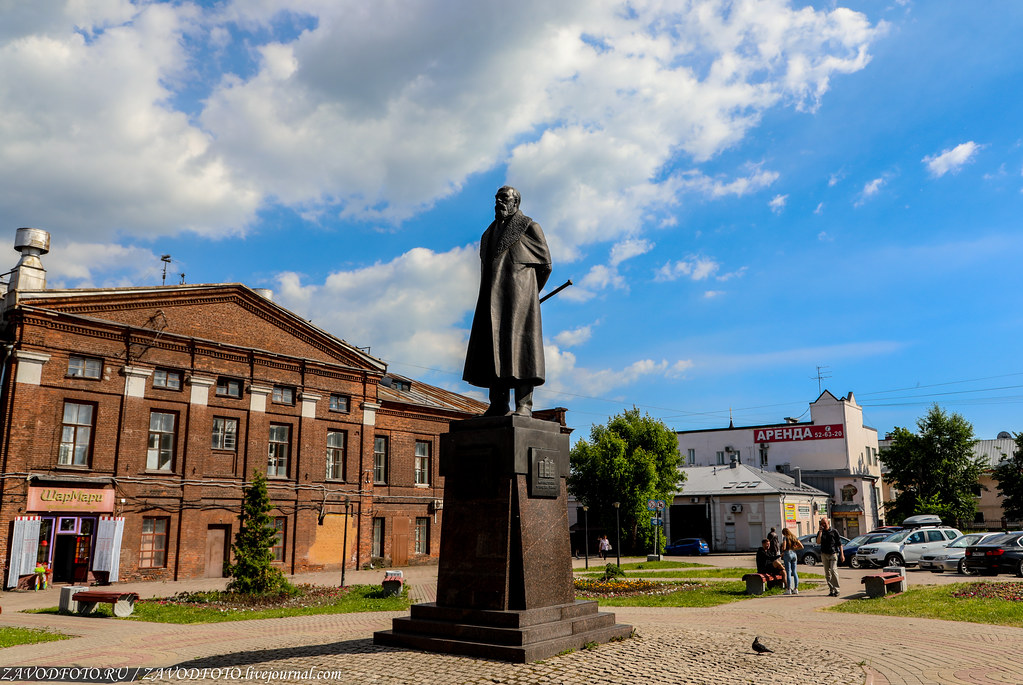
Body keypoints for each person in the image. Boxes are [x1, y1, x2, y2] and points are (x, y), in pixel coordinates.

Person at [463, 186, 552, 417]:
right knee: (494, 350)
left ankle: (524, 406)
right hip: (491, 301)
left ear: (516, 203)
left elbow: (546, 266)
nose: (498, 202)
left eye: (504, 198)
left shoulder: (530, 227)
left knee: (522, 351)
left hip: (520, 300)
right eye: (496, 198)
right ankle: (498, 404)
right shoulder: (488, 233)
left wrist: (529, 294)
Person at [816, 516, 844, 596]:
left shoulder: (834, 531)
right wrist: (820, 532)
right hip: (824, 554)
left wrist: (842, 554)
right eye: (821, 523)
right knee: (827, 573)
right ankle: (831, 590)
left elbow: (840, 544)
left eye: (824, 523)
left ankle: (837, 589)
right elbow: (818, 542)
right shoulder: (821, 532)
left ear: (828, 523)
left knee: (833, 570)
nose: (823, 525)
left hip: (833, 554)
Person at [781, 528, 803, 595]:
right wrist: (794, 548)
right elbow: (801, 546)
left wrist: (783, 551)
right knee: (794, 571)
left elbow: (784, 547)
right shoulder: (793, 537)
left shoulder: (785, 538)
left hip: (787, 553)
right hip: (794, 554)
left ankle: (789, 589)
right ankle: (796, 588)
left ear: (784, 533)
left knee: (788, 572)